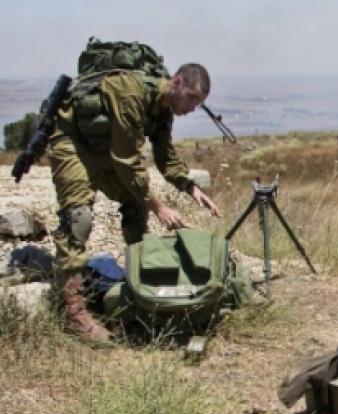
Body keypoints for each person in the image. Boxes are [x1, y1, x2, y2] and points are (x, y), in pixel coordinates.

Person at [48, 62, 221, 342]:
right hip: (73, 143)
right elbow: (127, 161)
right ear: (176, 82)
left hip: (107, 149)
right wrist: (160, 207)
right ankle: (73, 312)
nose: (192, 108)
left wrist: (189, 186)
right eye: (191, 98)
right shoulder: (132, 94)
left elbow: (165, 155)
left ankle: (141, 287)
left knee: (136, 206)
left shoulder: (163, 109)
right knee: (78, 218)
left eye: (198, 103)